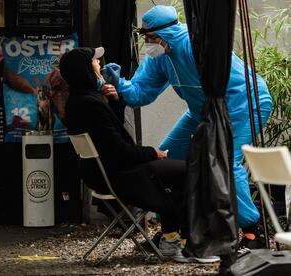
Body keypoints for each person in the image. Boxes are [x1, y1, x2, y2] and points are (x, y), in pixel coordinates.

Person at [102, 5, 272, 249]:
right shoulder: (159, 57)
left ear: (166, 35)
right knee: (168, 156)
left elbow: (229, 84)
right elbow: (140, 94)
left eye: (150, 37)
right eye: (145, 37)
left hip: (244, 102)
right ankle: (172, 233)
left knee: (227, 162)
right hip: (202, 109)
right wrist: (119, 83)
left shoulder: (196, 46)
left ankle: (252, 233)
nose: (147, 43)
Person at [59, 46, 219, 263]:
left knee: (178, 175)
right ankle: (191, 246)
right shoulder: (91, 104)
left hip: (102, 174)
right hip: (123, 175)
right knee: (193, 172)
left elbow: (108, 138)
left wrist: (115, 102)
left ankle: (172, 239)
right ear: (85, 69)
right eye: (94, 62)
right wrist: (152, 153)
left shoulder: (78, 102)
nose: (99, 64)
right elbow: (120, 151)